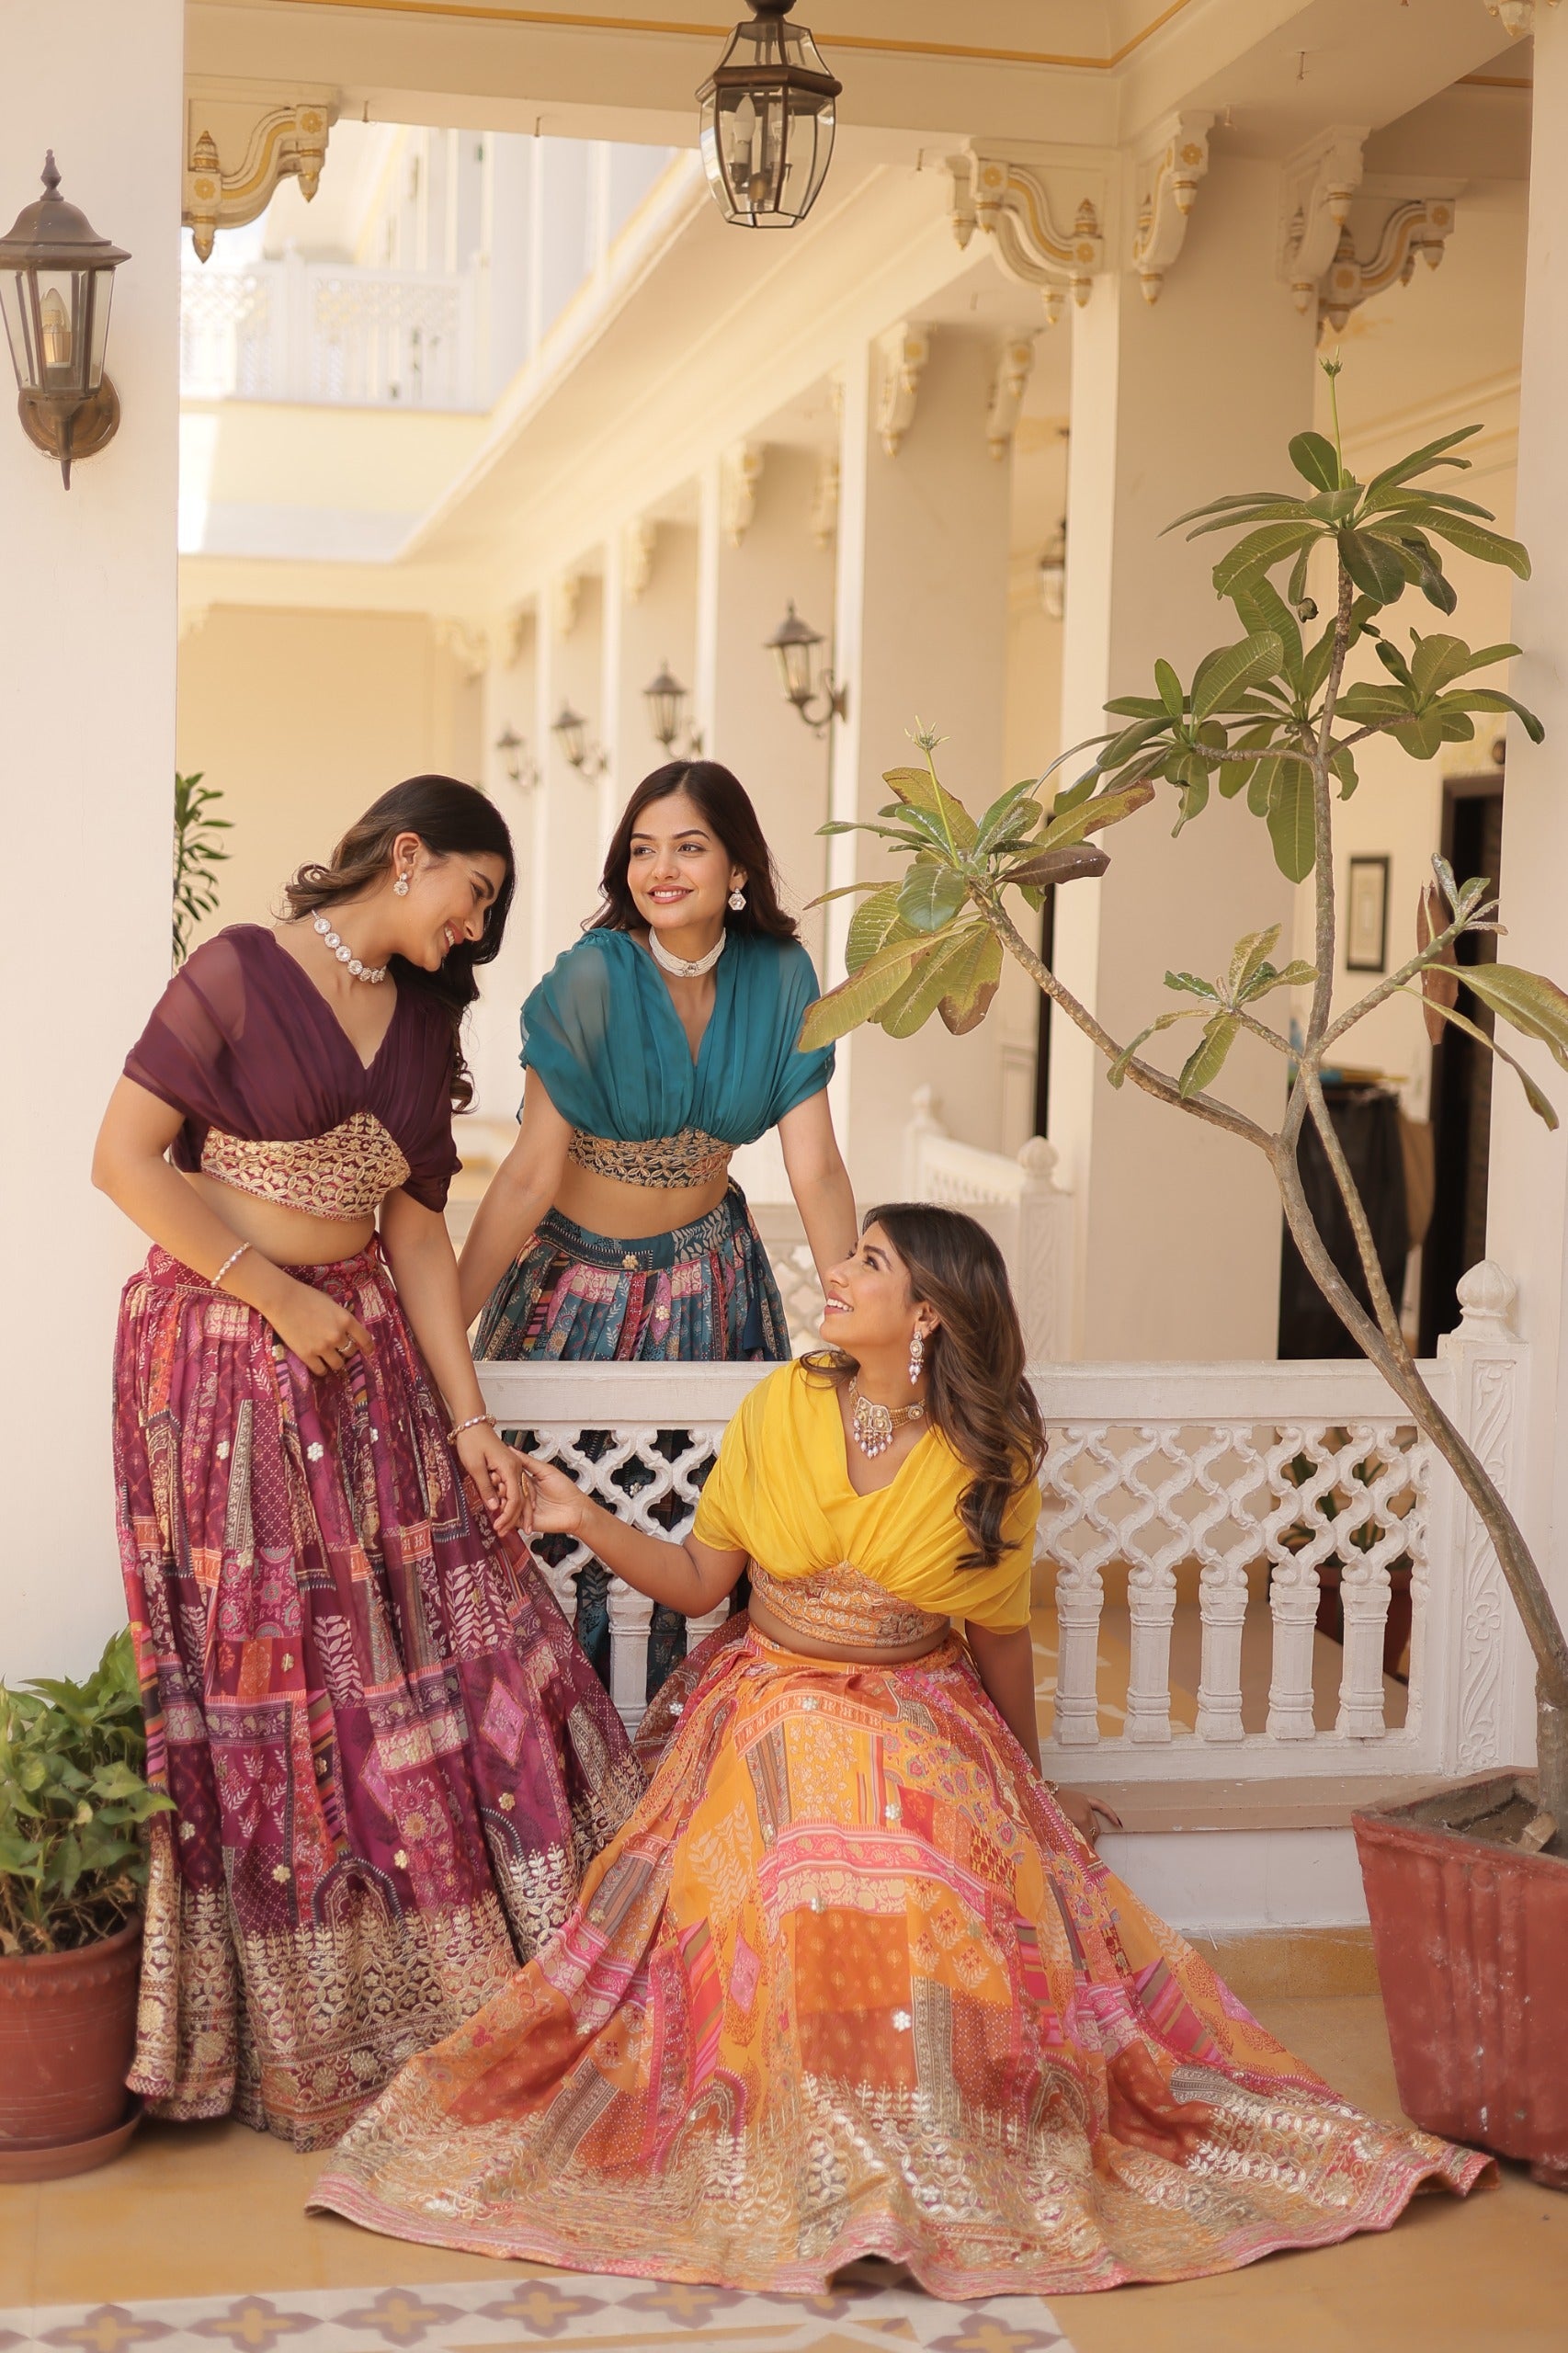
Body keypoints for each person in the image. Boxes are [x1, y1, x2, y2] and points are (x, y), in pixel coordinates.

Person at [312, 1204, 1485, 2291]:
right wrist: (580, 1516)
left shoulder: (989, 1460)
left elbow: (1002, 1643)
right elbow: (698, 1581)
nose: (836, 1269)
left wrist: (1030, 1788)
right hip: (769, 1695)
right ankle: (821, 2156)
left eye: (868, 1261)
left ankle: (912, 2163)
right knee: (799, 1867)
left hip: (922, 1706)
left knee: (935, 1895)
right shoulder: (781, 1408)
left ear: (927, 1313)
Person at [95, 777, 641, 2154]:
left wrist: (469, 1429)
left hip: (374, 1370)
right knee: (269, 1677)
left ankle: (465, 1994)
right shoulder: (235, 973)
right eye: (474, 896)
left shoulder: (427, 1019)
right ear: (409, 856)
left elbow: (409, 1233)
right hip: (222, 1366)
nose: (476, 931)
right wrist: (272, 1296)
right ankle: (291, 2033)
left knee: (441, 1659)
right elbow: (122, 1159)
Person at [460, 759, 858, 1696]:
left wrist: (851, 1319)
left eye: (688, 845)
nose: (660, 867)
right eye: (642, 849)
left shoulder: (781, 975)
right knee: (554, 1534)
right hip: (573, 1293)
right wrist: (431, 1334)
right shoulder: (592, 977)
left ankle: (677, 1756)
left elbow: (816, 1164)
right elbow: (524, 1176)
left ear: (737, 868)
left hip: (715, 1286)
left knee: (693, 1526)